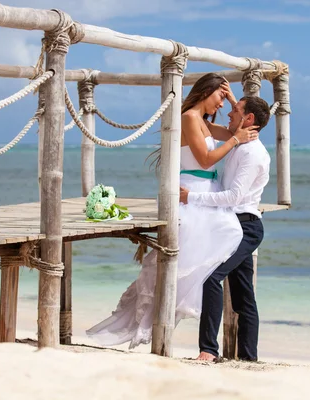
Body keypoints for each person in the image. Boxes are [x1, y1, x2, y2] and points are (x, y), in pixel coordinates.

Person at [86, 73, 262, 349]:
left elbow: (232, 133)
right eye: (219, 97)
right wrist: (235, 140)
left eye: (223, 100)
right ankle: (181, 322)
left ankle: (201, 314)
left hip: (206, 194)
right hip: (190, 191)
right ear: (206, 92)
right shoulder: (190, 118)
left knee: (220, 244)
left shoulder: (204, 122)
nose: (220, 106)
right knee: (200, 252)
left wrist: (230, 100)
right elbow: (206, 159)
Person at [179, 95, 272, 362]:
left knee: (211, 277)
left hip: (246, 226)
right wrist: (236, 102)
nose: (228, 113)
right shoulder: (239, 144)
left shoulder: (253, 153)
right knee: (244, 296)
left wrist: (191, 198)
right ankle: (247, 359)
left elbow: (233, 197)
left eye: (235, 111)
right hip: (231, 224)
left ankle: (208, 351)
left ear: (249, 119)